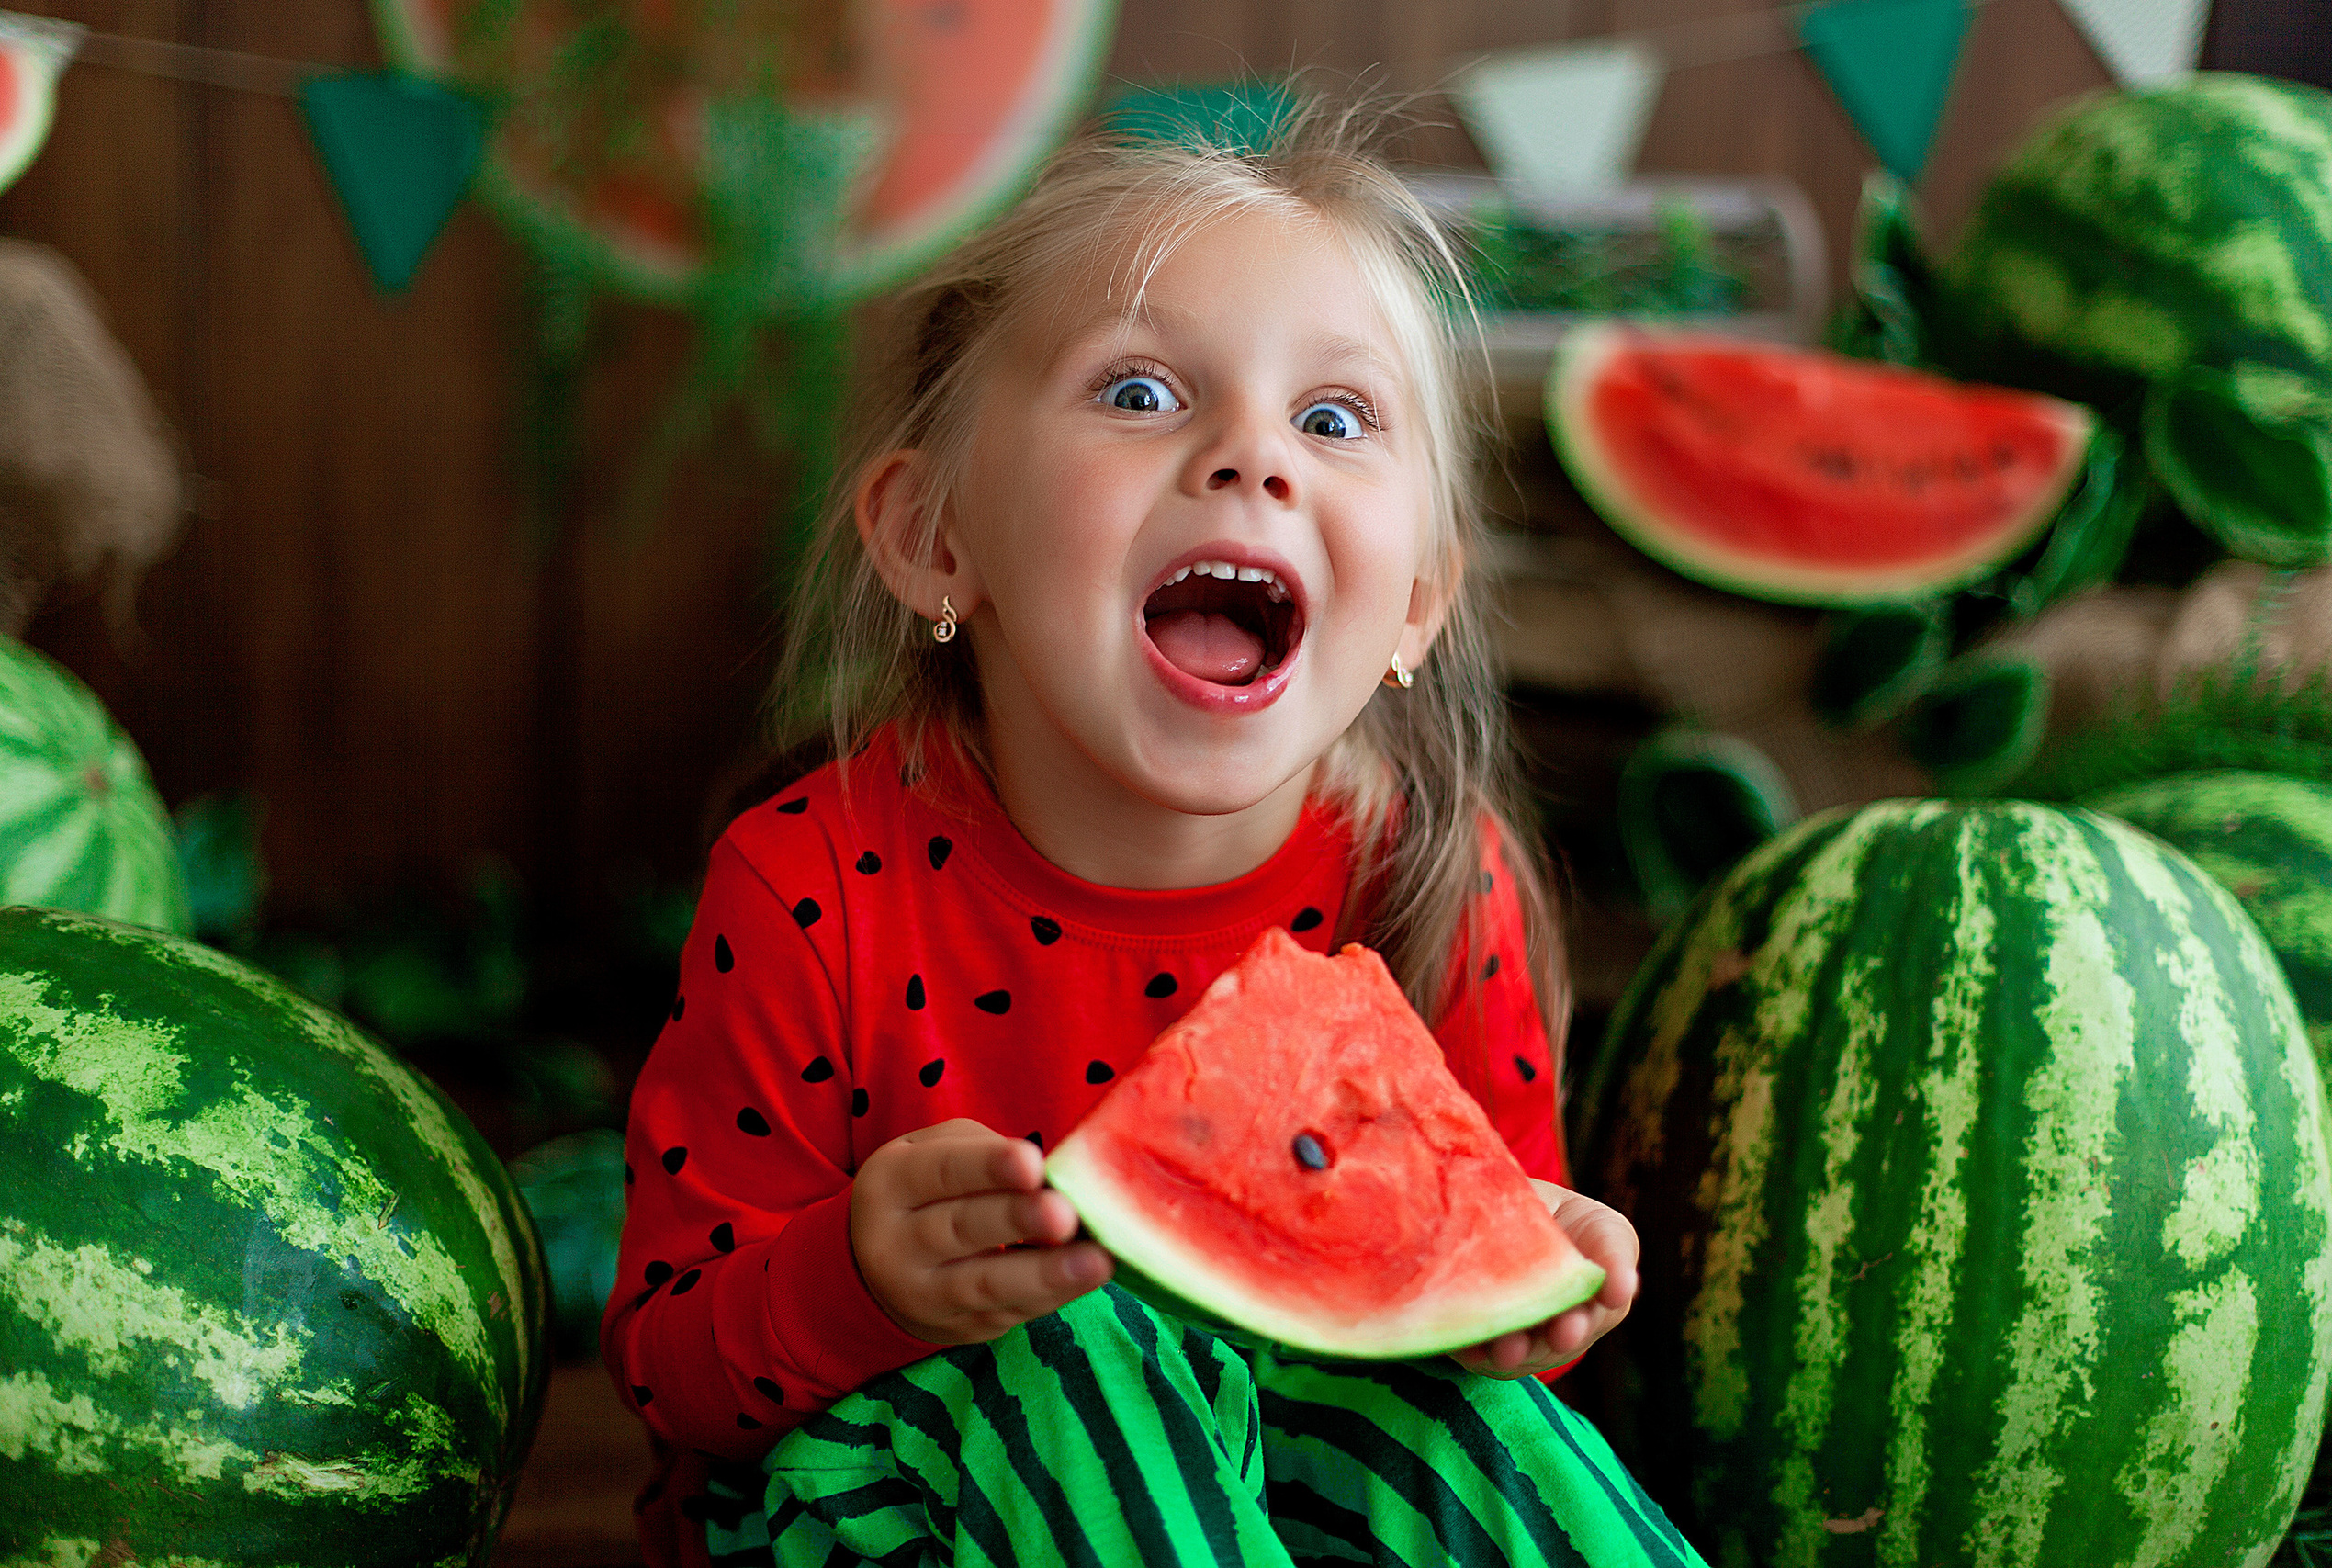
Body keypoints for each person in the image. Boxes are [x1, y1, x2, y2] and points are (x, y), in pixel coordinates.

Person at [603, 91, 1709, 1568]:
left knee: (1497, 1442)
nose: (1255, 458)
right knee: (1083, 1350)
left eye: (1333, 419)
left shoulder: (1437, 883)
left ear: (1418, 611)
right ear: (936, 537)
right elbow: (671, 1360)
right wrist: (857, 1275)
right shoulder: (816, 889)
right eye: (1139, 393)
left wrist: (1546, 1285)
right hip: (875, 1503)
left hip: (1291, 1492)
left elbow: (1470, 1327)